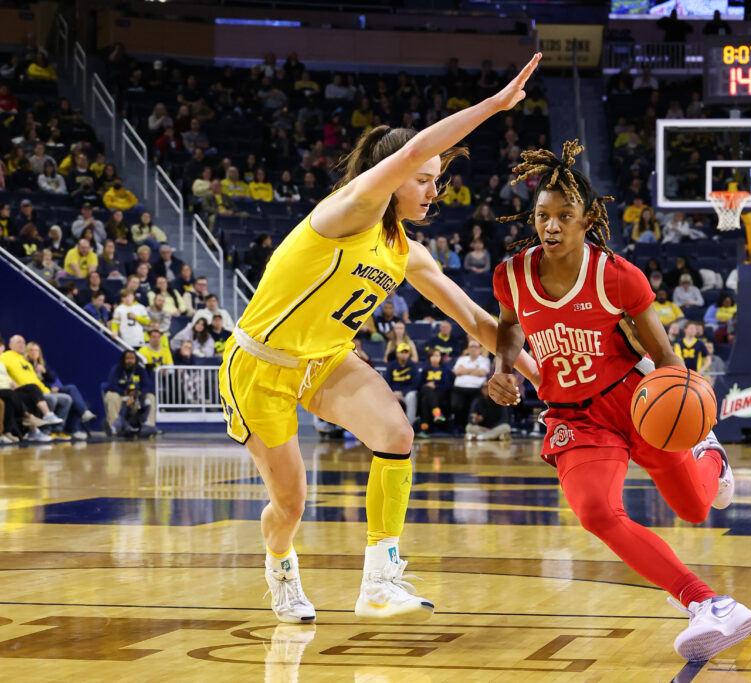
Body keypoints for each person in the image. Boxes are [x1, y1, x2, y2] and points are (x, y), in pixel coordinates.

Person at [216, 55, 543, 625]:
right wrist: (494, 105)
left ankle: (379, 580)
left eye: (438, 181)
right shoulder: (347, 212)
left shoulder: (405, 250)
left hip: (324, 361)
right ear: (391, 176)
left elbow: (478, 323)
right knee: (290, 503)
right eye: (423, 179)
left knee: (395, 432)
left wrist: (553, 380)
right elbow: (414, 151)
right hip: (259, 365)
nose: (432, 190)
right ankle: (281, 570)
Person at [488, 140, 751, 662]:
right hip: (574, 417)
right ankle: (708, 603)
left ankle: (710, 455)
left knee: (695, 509)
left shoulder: (615, 275)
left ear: (587, 218)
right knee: (595, 512)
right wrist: (501, 372)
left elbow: (665, 355)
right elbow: (508, 329)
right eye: (543, 215)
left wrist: (684, 411)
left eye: (565, 215)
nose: (552, 226)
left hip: (634, 401)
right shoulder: (512, 275)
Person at [103, 349, 156, 436]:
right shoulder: (117, 369)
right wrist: (124, 392)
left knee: (150, 396)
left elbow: (147, 385)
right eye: (127, 358)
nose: (130, 360)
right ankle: (115, 428)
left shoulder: (141, 370)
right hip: (121, 394)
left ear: (136, 360)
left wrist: (140, 392)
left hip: (137, 396)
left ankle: (149, 427)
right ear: (123, 359)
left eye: (132, 358)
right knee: (112, 396)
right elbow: (111, 385)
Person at [450, 338, 490, 433]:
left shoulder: (485, 360)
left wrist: (465, 370)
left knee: (473, 407)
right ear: (468, 349)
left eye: (475, 346)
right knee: (456, 406)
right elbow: (457, 371)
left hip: (476, 389)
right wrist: (474, 370)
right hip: (459, 388)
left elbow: (482, 372)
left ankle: (470, 427)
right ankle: (459, 426)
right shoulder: (461, 359)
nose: (473, 349)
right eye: (471, 346)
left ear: (480, 349)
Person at [383, 343, 419, 426]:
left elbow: (415, 383)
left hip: (407, 392)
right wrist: (392, 392)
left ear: (409, 354)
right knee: (386, 396)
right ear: (397, 354)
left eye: (406, 352)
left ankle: (410, 425)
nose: (404, 355)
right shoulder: (391, 365)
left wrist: (403, 392)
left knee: (411, 396)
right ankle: (388, 425)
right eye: (401, 352)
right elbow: (386, 382)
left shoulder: (413, 366)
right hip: (394, 391)